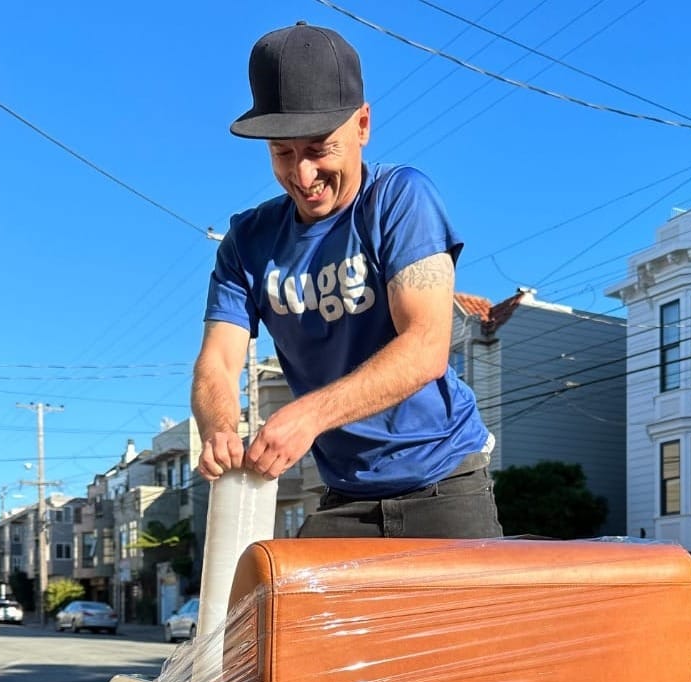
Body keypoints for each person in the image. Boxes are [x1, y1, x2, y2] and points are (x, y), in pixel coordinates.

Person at [191, 22, 502, 539]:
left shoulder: (401, 199)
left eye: (319, 149)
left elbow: (426, 345)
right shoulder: (247, 240)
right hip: (342, 495)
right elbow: (217, 363)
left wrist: (308, 415)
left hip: (444, 483)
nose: (303, 174)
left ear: (361, 125)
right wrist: (219, 428)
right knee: (285, 618)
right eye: (282, 153)